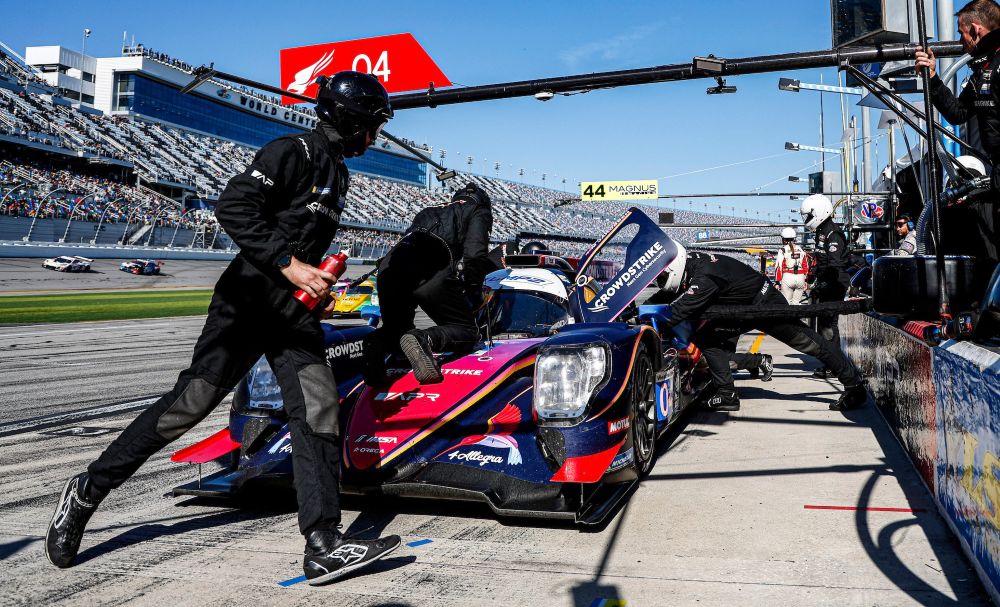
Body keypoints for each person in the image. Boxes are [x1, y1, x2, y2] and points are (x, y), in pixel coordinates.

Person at [45, 71, 402, 586]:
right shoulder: (293, 150)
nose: (374, 136)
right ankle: (88, 488)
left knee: (319, 408)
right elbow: (234, 207)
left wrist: (314, 283)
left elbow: (295, 239)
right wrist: (290, 265)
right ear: (350, 120)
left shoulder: (338, 173)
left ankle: (324, 543)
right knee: (188, 407)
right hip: (247, 300)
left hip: (293, 313)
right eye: (372, 125)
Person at [647, 244, 867, 413]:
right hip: (746, 307)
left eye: (663, 275)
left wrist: (646, 322)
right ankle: (726, 394)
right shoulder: (693, 262)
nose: (662, 280)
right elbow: (668, 296)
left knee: (811, 343)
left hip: (765, 306)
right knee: (707, 337)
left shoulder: (703, 279)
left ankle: (854, 387)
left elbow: (678, 312)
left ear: (674, 268)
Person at [364, 182, 494, 385]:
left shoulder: (430, 210)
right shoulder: (479, 209)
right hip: (429, 266)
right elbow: (475, 255)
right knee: (467, 331)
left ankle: (377, 342)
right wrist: (472, 289)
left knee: (397, 332)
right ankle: (425, 339)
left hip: (390, 267)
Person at [800, 194, 850, 379]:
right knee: (823, 326)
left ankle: (834, 366)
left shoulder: (832, 233)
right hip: (827, 283)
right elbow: (822, 262)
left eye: (808, 216)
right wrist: (814, 277)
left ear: (819, 212)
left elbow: (834, 264)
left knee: (828, 327)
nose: (806, 220)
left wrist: (821, 282)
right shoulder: (822, 231)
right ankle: (831, 363)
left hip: (834, 284)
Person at [775, 227, 811, 305]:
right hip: (800, 277)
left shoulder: (782, 250)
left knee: (787, 303)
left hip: (788, 277)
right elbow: (806, 266)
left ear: (784, 239)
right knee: (796, 303)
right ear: (794, 239)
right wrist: (805, 281)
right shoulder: (800, 249)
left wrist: (777, 282)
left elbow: (779, 267)